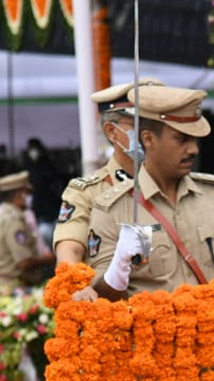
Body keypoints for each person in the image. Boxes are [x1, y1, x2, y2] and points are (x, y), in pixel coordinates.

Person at [89, 86, 214, 300]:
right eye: (182, 140)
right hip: (153, 330)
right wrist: (118, 268)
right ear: (149, 139)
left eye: (195, 140)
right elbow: (100, 297)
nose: (194, 150)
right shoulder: (113, 209)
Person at [53, 79, 164, 269]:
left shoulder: (178, 184)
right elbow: (69, 250)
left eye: (157, 125)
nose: (149, 133)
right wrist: (75, 285)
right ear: (112, 132)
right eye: (140, 124)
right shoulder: (87, 192)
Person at [0, 172, 51, 293]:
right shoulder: (14, 221)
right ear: (19, 195)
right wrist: (48, 260)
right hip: (13, 288)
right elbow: (24, 262)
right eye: (27, 193)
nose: (29, 198)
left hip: (3, 285)